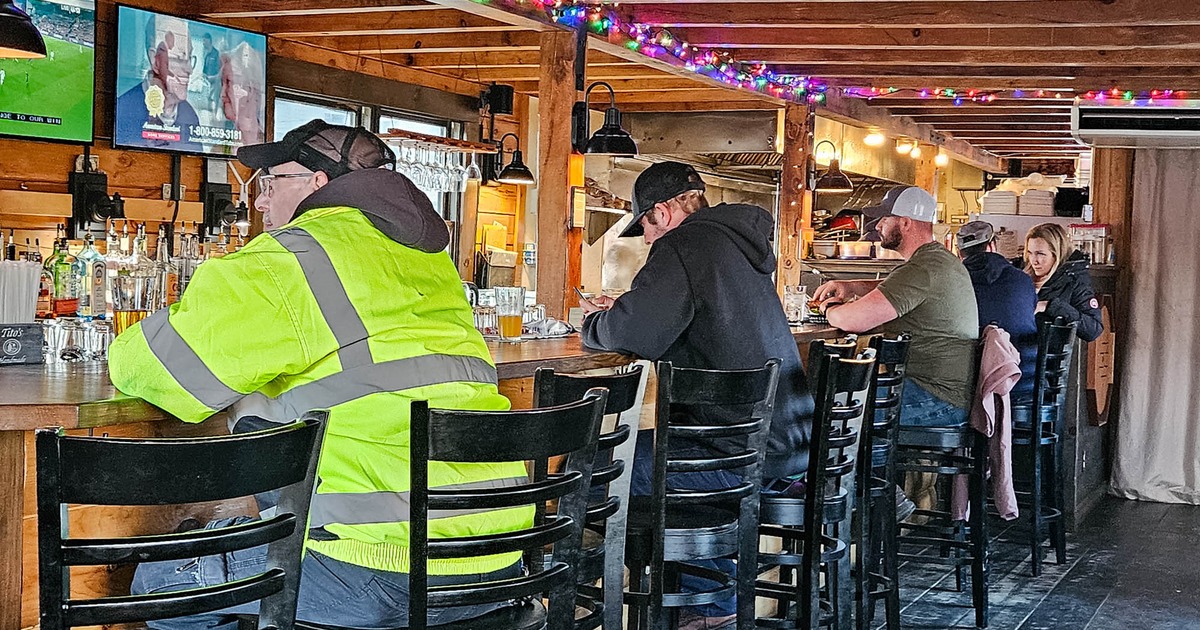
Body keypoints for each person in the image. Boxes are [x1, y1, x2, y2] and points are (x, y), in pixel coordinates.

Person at [110, 120, 529, 629]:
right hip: (496, 561)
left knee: (161, 585)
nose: (260, 203)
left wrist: (127, 339)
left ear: (317, 183)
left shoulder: (291, 256)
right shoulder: (425, 258)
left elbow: (164, 369)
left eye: (271, 182)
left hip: (378, 567)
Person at [581, 161, 815, 629]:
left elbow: (637, 333)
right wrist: (628, 310)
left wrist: (592, 324)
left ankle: (702, 606)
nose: (647, 238)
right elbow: (673, 318)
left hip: (737, 455)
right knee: (646, 465)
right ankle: (698, 595)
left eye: (645, 224)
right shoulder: (735, 246)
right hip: (788, 445)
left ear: (664, 212)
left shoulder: (682, 245)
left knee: (595, 471)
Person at [813, 186, 979, 427]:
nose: (878, 225)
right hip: (946, 392)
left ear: (905, 223)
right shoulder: (937, 260)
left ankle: (870, 465)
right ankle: (870, 463)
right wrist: (852, 287)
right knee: (841, 400)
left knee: (836, 407)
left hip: (937, 398)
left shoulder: (922, 268)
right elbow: (893, 289)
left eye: (884, 219)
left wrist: (827, 309)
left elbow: (853, 321)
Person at [957, 220, 1039, 395]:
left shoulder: (954, 282)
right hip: (1025, 382)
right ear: (992, 245)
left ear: (959, 253)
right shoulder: (1023, 280)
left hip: (975, 388)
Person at [113, 13, 202, 152]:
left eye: (189, 58)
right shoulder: (122, 110)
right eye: (180, 58)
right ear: (155, 61)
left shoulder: (190, 116)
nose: (189, 69)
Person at [1024, 222, 1103, 342]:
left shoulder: (1074, 280)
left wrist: (1051, 306)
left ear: (1057, 254)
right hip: (1013, 350)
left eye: (1041, 254)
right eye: (1030, 253)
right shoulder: (1020, 275)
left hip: (1047, 355)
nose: (1034, 260)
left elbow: (1093, 330)